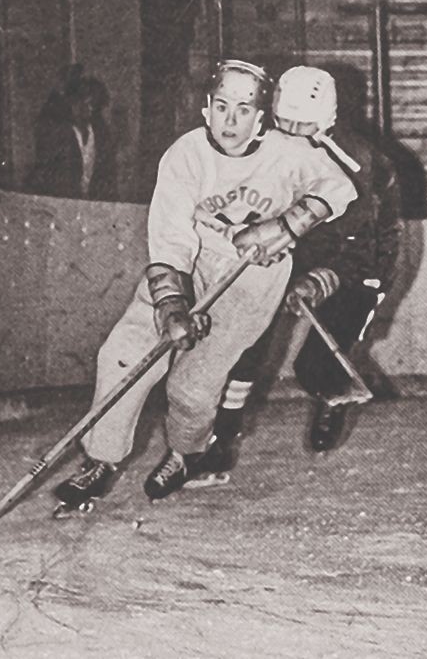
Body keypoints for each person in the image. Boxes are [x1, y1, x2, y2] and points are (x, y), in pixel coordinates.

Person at [52, 59, 358, 513]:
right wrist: (171, 304)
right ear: (205, 108)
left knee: (191, 388)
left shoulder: (288, 152)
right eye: (221, 106)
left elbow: (339, 188)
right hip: (189, 264)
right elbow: (170, 235)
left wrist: (286, 226)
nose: (230, 121)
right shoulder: (185, 155)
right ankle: (101, 459)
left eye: (243, 109)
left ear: (261, 117)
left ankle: (184, 452)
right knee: (123, 353)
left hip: (251, 280)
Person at [189, 64, 402, 482]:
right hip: (297, 248)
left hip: (363, 261)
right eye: (284, 122)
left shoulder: (357, 168)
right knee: (246, 341)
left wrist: (322, 278)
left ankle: (331, 393)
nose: (291, 133)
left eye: (303, 125)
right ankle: (222, 441)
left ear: (327, 121)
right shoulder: (267, 144)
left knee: (315, 366)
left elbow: (365, 244)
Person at [27, 64, 118, 200]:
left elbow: (107, 177)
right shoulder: (59, 134)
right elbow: (53, 178)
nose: (89, 109)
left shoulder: (100, 135)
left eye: (93, 105)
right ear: (73, 102)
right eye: (84, 103)